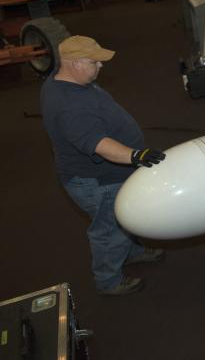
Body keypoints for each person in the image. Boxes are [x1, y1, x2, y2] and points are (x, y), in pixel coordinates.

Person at [41, 36, 167, 296]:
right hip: (99, 182)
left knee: (124, 217)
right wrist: (135, 155)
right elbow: (98, 144)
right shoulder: (70, 107)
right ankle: (108, 280)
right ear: (74, 64)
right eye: (94, 62)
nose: (101, 66)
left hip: (102, 176)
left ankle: (132, 252)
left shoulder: (61, 78)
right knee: (109, 229)